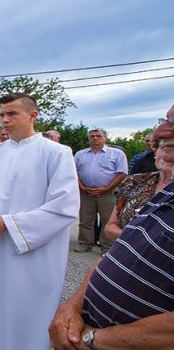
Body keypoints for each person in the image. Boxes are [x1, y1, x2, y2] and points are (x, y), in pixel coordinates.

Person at [48, 105, 174, 350]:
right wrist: (73, 305)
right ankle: (85, 242)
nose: (158, 133)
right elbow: (117, 255)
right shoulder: (163, 194)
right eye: (164, 121)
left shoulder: (116, 154)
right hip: (87, 328)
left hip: (105, 342)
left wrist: (94, 340)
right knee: (88, 222)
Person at [0, 93, 80, 349]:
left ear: (33, 115)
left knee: (27, 314)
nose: (5, 120)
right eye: (2, 115)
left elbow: (65, 205)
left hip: (35, 255)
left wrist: (8, 223)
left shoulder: (57, 154)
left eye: (12, 114)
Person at [73, 128, 128, 253]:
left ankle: (107, 247)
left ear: (105, 138)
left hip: (107, 192)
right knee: (85, 220)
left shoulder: (116, 153)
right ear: (88, 138)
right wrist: (82, 187)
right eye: (92, 136)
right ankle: (85, 243)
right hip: (85, 192)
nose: (95, 138)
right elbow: (74, 172)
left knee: (107, 220)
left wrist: (106, 188)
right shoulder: (80, 154)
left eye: (98, 136)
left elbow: (122, 173)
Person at [104, 143, 173, 241]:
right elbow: (110, 227)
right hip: (123, 252)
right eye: (163, 148)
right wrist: (139, 241)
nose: (167, 155)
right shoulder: (134, 182)